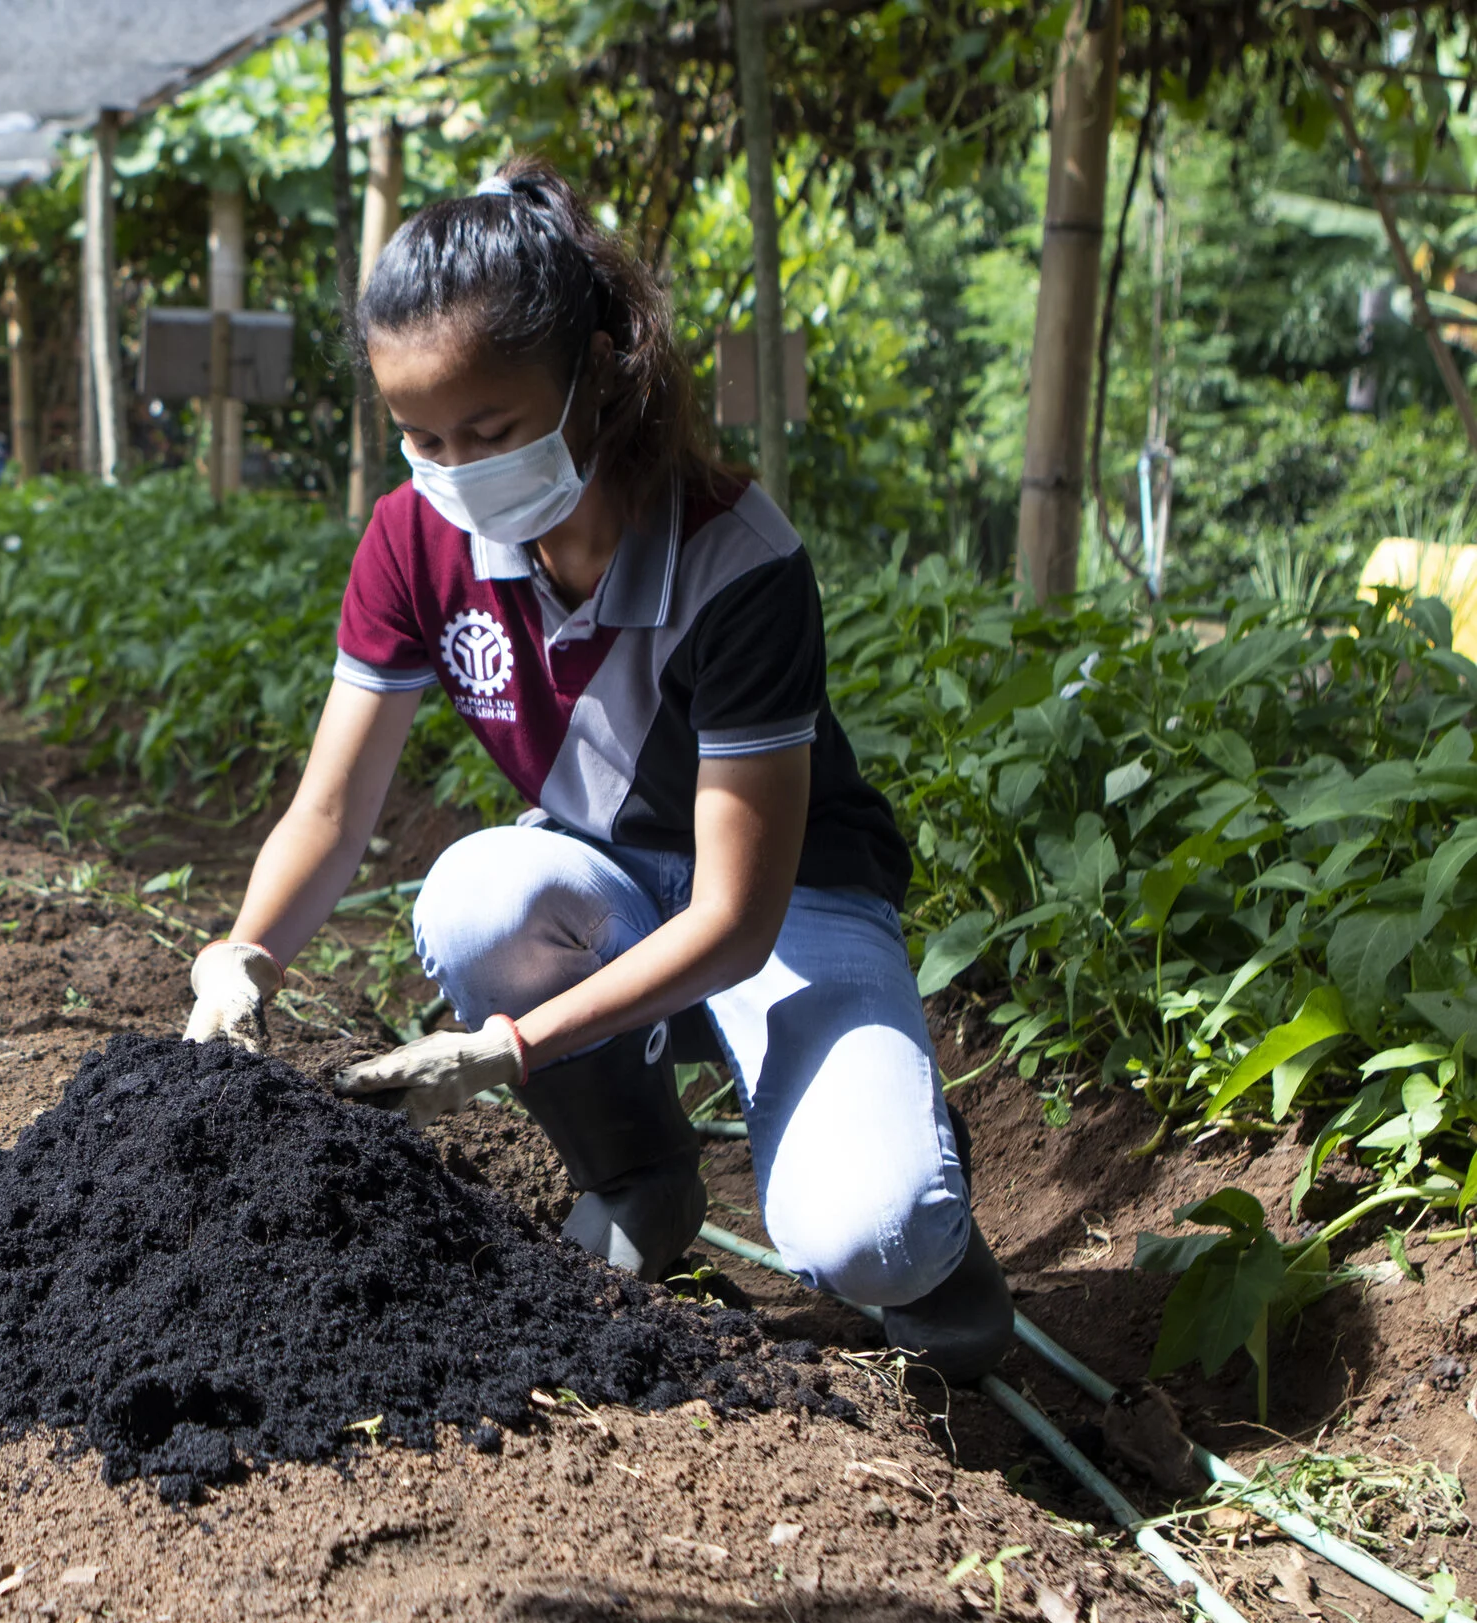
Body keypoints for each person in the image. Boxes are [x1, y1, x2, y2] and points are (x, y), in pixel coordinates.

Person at [179, 158, 1012, 1380]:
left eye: (492, 430)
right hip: (605, 887)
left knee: (866, 1231)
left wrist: (505, 1048)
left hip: (786, 906)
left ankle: (941, 1265)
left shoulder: (735, 557)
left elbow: (733, 917)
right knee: (477, 896)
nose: (456, 468)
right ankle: (640, 1179)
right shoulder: (418, 537)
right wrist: (241, 954)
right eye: (421, 437)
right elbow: (331, 803)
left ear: (595, 376)